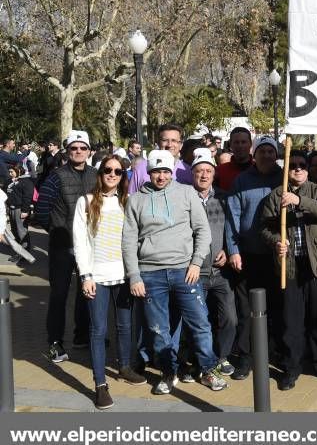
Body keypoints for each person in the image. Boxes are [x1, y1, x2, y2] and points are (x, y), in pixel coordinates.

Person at [122, 150, 227, 395]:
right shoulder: (136, 199)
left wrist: (195, 262)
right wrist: (134, 275)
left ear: (172, 172)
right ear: (148, 172)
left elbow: (202, 231)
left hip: (184, 270)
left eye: (166, 171)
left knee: (200, 322)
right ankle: (169, 372)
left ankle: (208, 369)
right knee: (159, 329)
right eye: (157, 171)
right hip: (150, 273)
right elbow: (128, 240)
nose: (161, 176)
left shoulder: (186, 192)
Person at [262, 150, 317, 390]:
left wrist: (299, 201)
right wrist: (276, 241)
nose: (297, 168)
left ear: (308, 168)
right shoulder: (275, 196)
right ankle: (291, 367)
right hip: (291, 266)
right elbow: (265, 228)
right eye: (292, 165)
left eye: (302, 165)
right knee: (291, 320)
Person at [73, 155, 146, 409]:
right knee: (98, 330)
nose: (112, 174)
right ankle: (100, 384)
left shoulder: (127, 202)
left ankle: (124, 366)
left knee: (125, 326)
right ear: (100, 172)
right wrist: (85, 276)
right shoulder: (87, 201)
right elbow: (80, 242)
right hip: (97, 277)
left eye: (118, 171)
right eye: (107, 170)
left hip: (124, 275)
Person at [36, 130, 97, 362]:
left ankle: (82, 335)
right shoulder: (56, 176)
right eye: (74, 148)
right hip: (63, 245)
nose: (79, 151)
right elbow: (42, 209)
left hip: (89, 245)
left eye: (83, 148)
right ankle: (55, 342)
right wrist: (56, 230)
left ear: (89, 151)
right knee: (59, 294)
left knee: (87, 292)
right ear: (67, 151)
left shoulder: (96, 175)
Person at [225, 136, 282, 380]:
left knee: (276, 307)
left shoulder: (284, 177)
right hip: (248, 254)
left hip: (277, 255)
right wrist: (234, 250)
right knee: (247, 310)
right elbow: (233, 217)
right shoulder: (242, 180)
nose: (267, 155)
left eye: (271, 151)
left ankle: (272, 352)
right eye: (263, 151)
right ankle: (246, 357)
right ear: (254, 154)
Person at [190, 148, 237, 378]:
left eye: (208, 171)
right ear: (192, 173)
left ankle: (222, 356)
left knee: (229, 317)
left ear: (214, 173)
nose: (204, 175)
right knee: (199, 320)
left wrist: (228, 251)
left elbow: (233, 230)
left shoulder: (225, 198)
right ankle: (202, 359)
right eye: (199, 171)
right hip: (195, 272)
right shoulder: (185, 198)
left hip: (221, 272)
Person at [128, 124, 193, 192]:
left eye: (174, 140)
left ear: (181, 145)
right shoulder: (141, 168)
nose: (169, 145)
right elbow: (131, 197)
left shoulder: (187, 171)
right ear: (158, 143)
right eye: (165, 140)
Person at [214, 127, 253, 193]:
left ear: (250, 144)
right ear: (231, 145)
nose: (240, 146)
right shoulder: (219, 171)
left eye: (243, 142)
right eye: (236, 142)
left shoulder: (259, 169)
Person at [5, 165, 34, 249]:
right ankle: (18, 248)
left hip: (20, 209)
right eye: (9, 172)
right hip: (11, 208)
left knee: (21, 231)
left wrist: (25, 211)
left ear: (19, 171)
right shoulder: (9, 181)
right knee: (14, 230)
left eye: (12, 172)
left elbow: (27, 197)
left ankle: (25, 252)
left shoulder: (26, 182)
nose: (10, 174)